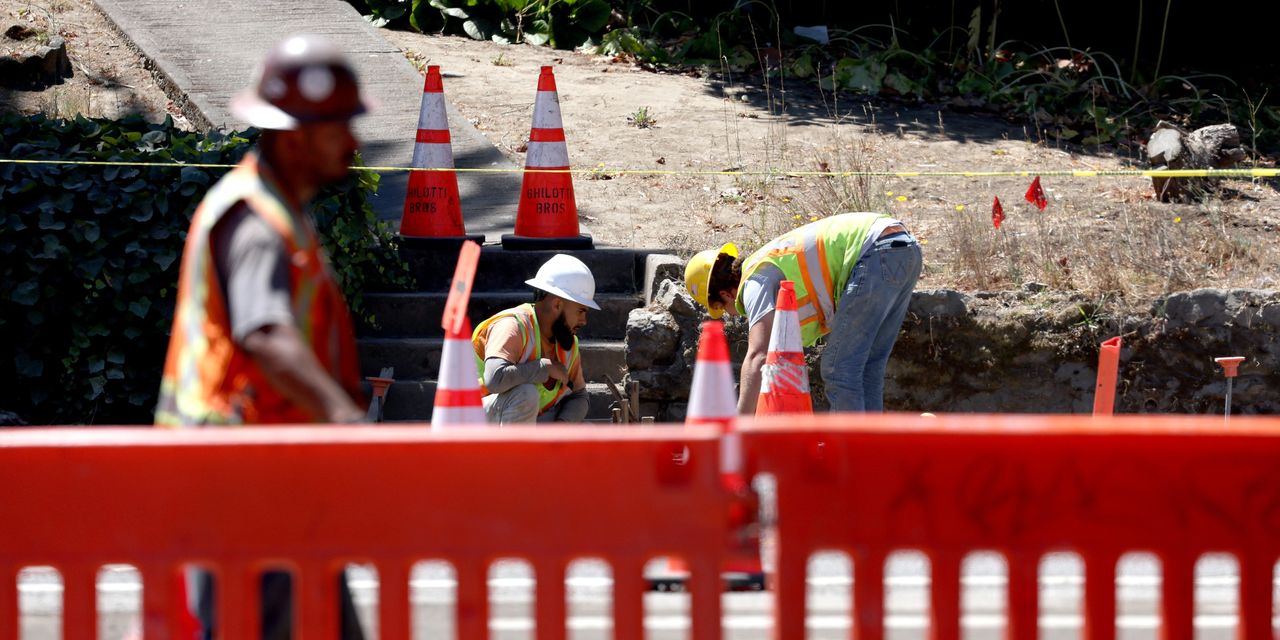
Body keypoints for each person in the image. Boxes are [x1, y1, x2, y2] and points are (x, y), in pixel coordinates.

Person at [154, 34, 370, 639]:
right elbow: (264, 330)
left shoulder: (278, 214)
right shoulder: (258, 223)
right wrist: (342, 416)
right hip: (243, 489)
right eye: (339, 128)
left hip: (268, 485)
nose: (354, 143)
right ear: (294, 136)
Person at [684, 212, 922, 414]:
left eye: (719, 309)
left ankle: (850, 457)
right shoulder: (769, 262)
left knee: (839, 369)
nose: (730, 315)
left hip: (874, 252)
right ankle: (869, 455)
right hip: (903, 248)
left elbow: (758, 355)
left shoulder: (754, 280)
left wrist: (741, 424)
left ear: (724, 294)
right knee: (867, 366)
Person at [472, 254, 600, 424]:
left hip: (528, 421)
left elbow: (579, 395)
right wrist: (543, 369)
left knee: (586, 432)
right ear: (557, 305)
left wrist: (563, 424)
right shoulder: (513, 326)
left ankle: (539, 449)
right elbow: (495, 379)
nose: (584, 321)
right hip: (473, 422)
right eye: (580, 311)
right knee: (526, 394)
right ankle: (515, 451)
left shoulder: (566, 341)